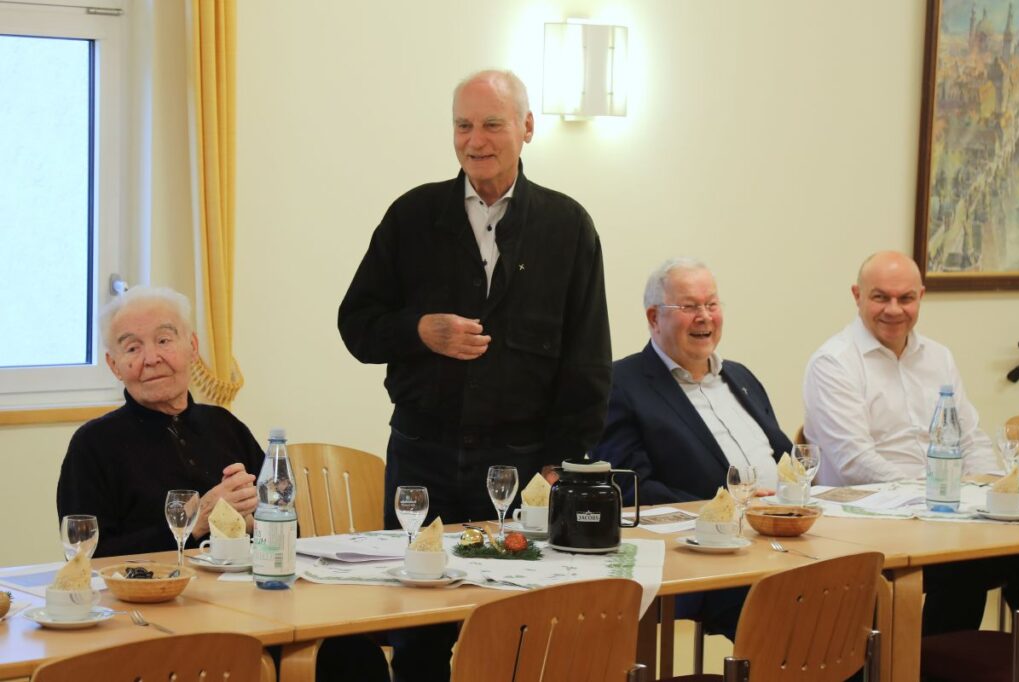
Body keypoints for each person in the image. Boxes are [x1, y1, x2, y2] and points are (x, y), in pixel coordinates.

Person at [338, 69, 611, 682]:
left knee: (516, 625)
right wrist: (419, 332)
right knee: (419, 627)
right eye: (463, 125)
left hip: (521, 461)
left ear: (527, 129)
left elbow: (589, 358)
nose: (476, 140)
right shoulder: (412, 216)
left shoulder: (567, 226)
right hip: (422, 456)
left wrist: (561, 462)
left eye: (492, 124)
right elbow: (355, 325)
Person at [57, 285, 389, 682]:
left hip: (254, 608)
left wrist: (254, 521)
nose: (151, 358)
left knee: (353, 655)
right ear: (113, 365)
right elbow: (87, 558)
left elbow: (290, 529)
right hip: (152, 622)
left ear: (192, 347)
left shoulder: (225, 427)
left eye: (164, 340)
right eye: (131, 349)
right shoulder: (93, 445)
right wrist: (195, 520)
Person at [803, 251, 1019, 636]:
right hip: (867, 525)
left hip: (947, 519)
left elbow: (971, 438)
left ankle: (948, 660)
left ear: (921, 296)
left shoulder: (938, 357)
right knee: (961, 570)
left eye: (905, 298)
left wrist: (988, 489)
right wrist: (935, 494)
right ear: (857, 295)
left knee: (1009, 557)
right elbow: (855, 462)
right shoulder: (833, 362)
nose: (893, 310)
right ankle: (922, 664)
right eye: (880, 297)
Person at [593, 257, 791, 640]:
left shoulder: (741, 376)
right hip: (709, 559)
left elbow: (786, 458)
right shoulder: (621, 384)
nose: (705, 317)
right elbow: (633, 490)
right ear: (654, 318)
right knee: (802, 614)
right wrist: (726, 511)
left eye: (711, 304)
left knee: (865, 594)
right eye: (689, 307)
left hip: (780, 540)